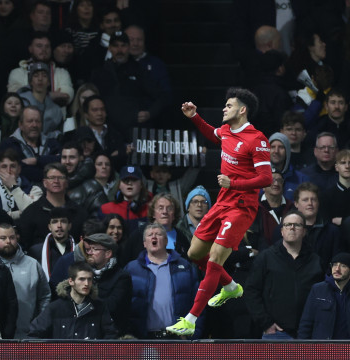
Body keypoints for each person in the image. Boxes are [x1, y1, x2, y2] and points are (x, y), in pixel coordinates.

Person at [166, 88, 272, 336]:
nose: (224, 109)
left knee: (214, 259)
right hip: (223, 202)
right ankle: (232, 286)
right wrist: (194, 117)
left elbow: (266, 178)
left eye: (229, 105)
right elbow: (212, 135)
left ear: (242, 110)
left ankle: (190, 320)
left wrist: (233, 183)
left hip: (242, 206)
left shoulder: (257, 139)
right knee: (194, 253)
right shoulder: (225, 131)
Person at [244, 211, 323, 339]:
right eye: (288, 225)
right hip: (275, 333)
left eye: (297, 225)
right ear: (281, 231)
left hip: (309, 332)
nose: (292, 228)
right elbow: (251, 291)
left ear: (304, 231)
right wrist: (266, 323)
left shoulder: (316, 261)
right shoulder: (266, 258)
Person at [124, 223, 199, 339]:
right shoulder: (132, 269)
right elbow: (124, 305)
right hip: (143, 339)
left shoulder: (185, 266)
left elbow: (198, 302)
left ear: (165, 241)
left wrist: (193, 334)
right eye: (150, 235)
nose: (154, 237)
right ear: (144, 243)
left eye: (158, 234)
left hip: (178, 339)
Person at [298, 252, 350, 340]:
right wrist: (303, 350)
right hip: (324, 350)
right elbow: (306, 324)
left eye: (343, 266)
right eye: (334, 265)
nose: (337, 269)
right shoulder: (318, 290)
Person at [27, 261, 118, 339]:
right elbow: (34, 335)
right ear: (71, 281)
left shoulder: (100, 307)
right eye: (82, 279)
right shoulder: (54, 308)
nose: (86, 283)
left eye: (89, 279)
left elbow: (111, 336)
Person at [0, 223, 50, 338]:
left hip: (27, 334)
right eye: (3, 238)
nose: (8, 241)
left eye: (12, 237)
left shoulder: (33, 264)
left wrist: (37, 321)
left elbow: (45, 296)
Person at [16, 163, 86, 248]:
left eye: (61, 177)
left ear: (67, 182)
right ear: (44, 183)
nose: (56, 181)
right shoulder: (30, 213)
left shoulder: (79, 213)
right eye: (52, 178)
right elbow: (24, 245)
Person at [0, 149, 43, 221]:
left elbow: (34, 214)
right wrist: (19, 213)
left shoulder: (34, 190)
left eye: (13, 166)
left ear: (19, 169)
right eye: (4, 166)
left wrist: (14, 187)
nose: (8, 171)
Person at [29, 207, 76, 280]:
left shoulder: (78, 249)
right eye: (55, 222)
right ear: (49, 227)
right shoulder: (36, 251)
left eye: (63, 221)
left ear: (69, 226)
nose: (59, 225)